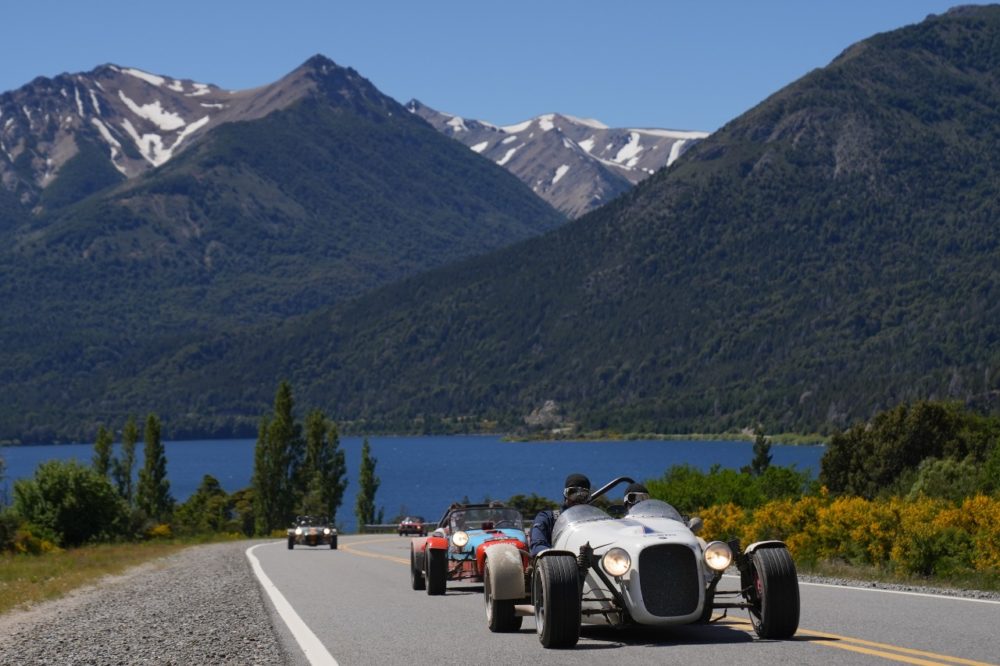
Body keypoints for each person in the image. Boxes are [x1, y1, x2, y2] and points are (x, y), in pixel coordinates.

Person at [529, 473, 591, 556]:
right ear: (565, 494)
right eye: (572, 493)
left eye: (583, 495)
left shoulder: (593, 522)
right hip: (555, 567)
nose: (577, 500)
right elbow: (537, 546)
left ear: (588, 498)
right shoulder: (547, 518)